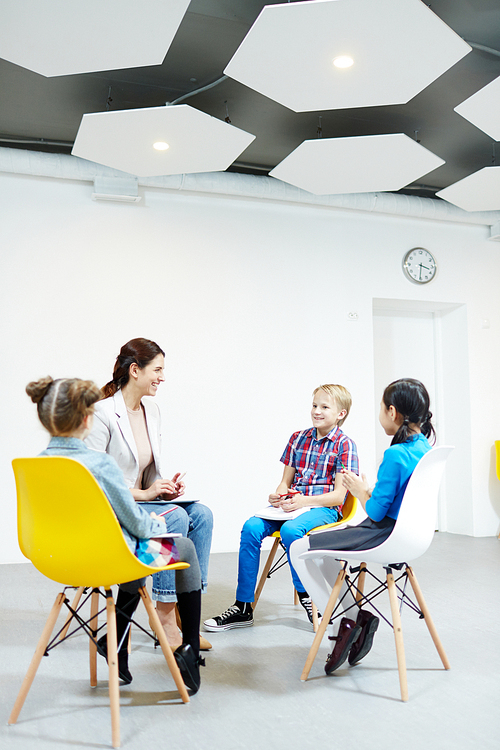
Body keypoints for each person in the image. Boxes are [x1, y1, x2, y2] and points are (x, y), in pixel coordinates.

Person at [26, 376, 204, 693]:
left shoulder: (35, 465)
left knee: (127, 551)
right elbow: (137, 524)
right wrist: (160, 526)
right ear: (85, 419)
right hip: (110, 559)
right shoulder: (99, 464)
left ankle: (116, 642)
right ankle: (188, 648)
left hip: (57, 561)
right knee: (183, 547)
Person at [290, 377, 435, 675]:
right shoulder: (424, 447)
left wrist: (359, 490)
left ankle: (344, 621)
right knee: (326, 550)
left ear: (392, 412)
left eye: (382, 408)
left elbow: (376, 511)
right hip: (413, 536)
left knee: (298, 548)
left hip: (384, 533)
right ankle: (357, 618)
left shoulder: (395, 454)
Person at [85, 338, 213, 652]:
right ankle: (166, 616)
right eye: (157, 370)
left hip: (144, 501)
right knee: (178, 518)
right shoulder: (101, 414)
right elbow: (94, 482)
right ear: (134, 370)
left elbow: (147, 470)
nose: (162, 377)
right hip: (115, 509)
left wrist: (164, 487)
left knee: (202, 515)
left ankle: (185, 612)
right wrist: (145, 493)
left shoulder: (151, 411)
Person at [204, 384, 358, 632]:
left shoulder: (345, 445)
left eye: (324, 407)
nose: (317, 411)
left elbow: (339, 496)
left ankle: (307, 596)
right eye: (314, 405)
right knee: (251, 527)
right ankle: (243, 606)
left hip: (322, 508)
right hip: (293, 506)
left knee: (290, 532)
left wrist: (303, 501)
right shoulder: (297, 438)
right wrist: (279, 495)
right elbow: (285, 482)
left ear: (340, 413)